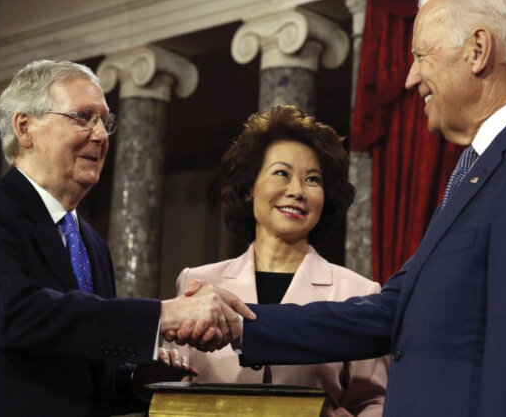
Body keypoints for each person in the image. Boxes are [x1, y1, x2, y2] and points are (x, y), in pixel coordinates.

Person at [177, 0, 506, 416]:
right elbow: (390, 312)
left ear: (479, 49)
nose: (410, 77)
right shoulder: (485, 169)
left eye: (421, 55)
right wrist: (243, 326)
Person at [0, 59, 253, 417]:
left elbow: (84, 368)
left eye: (104, 122)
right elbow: (18, 316)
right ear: (25, 128)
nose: (101, 135)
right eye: (82, 117)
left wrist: (139, 380)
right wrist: (164, 313)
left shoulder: (93, 244)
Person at [164, 105, 388, 416]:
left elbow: (374, 403)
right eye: (282, 173)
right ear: (248, 188)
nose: (297, 191)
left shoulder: (359, 292)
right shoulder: (196, 283)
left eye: (312, 179)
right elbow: (171, 389)